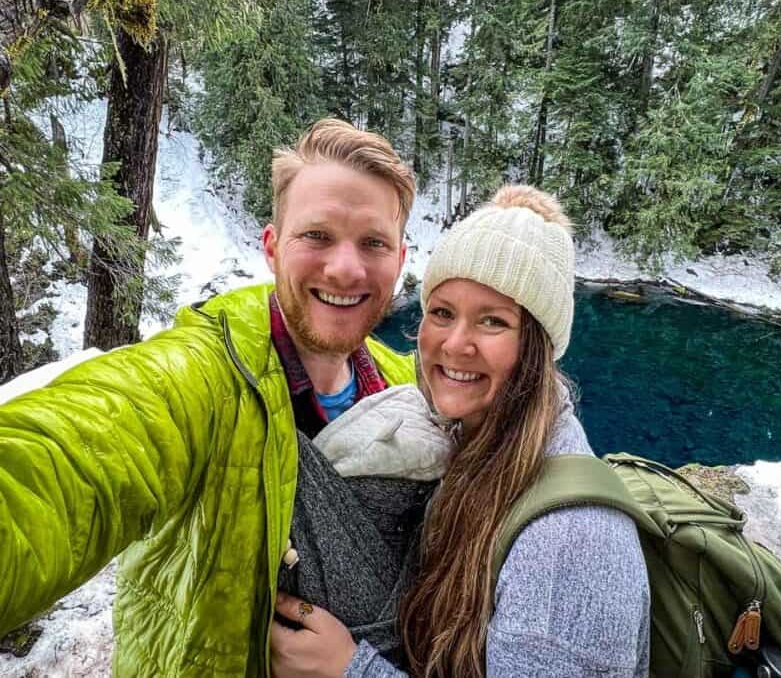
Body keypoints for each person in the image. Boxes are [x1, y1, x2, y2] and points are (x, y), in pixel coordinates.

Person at [0, 119, 420, 676]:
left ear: (401, 258)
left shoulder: (404, 389)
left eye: (373, 243)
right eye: (316, 236)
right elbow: (77, 452)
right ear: (271, 249)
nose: (345, 267)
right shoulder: (207, 374)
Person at [270, 186, 651, 677]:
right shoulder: (472, 445)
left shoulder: (572, 544)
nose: (455, 344)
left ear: (535, 347)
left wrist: (351, 670)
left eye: (492, 321)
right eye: (443, 312)